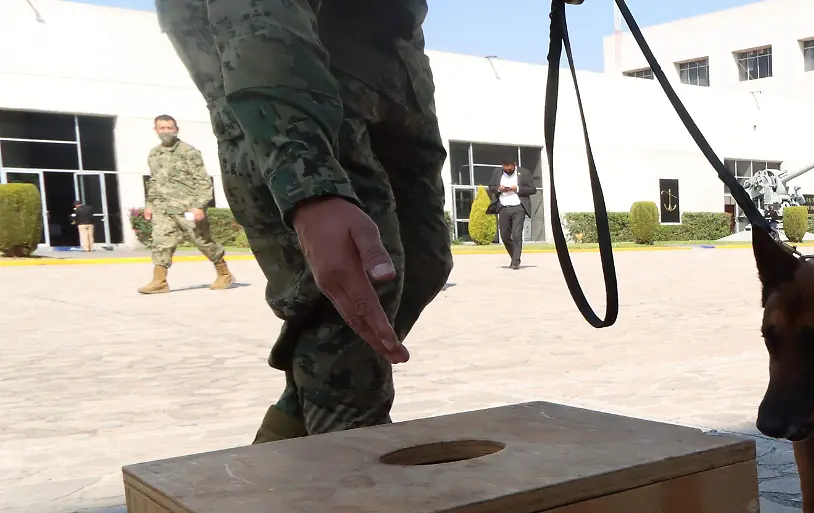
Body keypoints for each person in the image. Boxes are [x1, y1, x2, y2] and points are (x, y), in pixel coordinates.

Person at [157, 0, 588, 441]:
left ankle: (283, 458)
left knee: (424, 262)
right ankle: (345, 489)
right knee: (353, 294)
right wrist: (311, 186)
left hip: (391, 57)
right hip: (290, 55)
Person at [138, 114, 236, 293]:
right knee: (161, 243)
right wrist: (150, 205)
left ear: (176, 129)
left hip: (187, 208)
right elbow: (153, 182)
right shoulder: (154, 154)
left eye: (170, 128)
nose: (166, 131)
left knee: (203, 241)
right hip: (163, 209)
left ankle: (224, 274)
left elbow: (203, 181)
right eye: (162, 128)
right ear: (156, 130)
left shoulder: (188, 152)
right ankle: (159, 282)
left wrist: (199, 205)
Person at [487, 160, 536, 269]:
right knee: (504, 235)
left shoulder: (525, 173)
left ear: (514, 165)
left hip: (519, 207)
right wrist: (498, 189)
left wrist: (517, 189)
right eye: (505, 169)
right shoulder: (497, 172)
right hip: (503, 207)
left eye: (510, 169)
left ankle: (516, 261)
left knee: (516, 234)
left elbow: (533, 189)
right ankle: (514, 257)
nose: (508, 170)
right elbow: (491, 187)